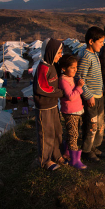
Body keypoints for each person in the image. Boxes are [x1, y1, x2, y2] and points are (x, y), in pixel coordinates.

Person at [33, 38, 66, 171]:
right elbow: (41, 87)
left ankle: (56, 155)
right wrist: (60, 92)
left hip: (53, 105)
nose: (60, 55)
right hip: (44, 107)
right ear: (51, 52)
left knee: (57, 131)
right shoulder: (43, 67)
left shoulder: (52, 66)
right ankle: (45, 160)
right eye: (58, 53)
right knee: (46, 133)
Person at [76, 26, 105, 162]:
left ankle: (95, 146)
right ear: (91, 41)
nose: (102, 44)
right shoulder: (85, 56)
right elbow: (79, 78)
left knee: (100, 123)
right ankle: (87, 150)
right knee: (91, 124)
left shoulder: (94, 55)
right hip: (91, 98)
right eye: (100, 42)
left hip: (98, 95)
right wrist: (88, 95)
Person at [58, 54, 87, 169]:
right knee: (73, 134)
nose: (75, 70)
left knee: (72, 133)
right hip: (70, 112)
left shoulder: (69, 78)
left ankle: (67, 152)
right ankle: (74, 160)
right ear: (64, 69)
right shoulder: (63, 80)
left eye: (76, 67)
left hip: (76, 111)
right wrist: (79, 87)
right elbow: (70, 96)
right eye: (72, 68)